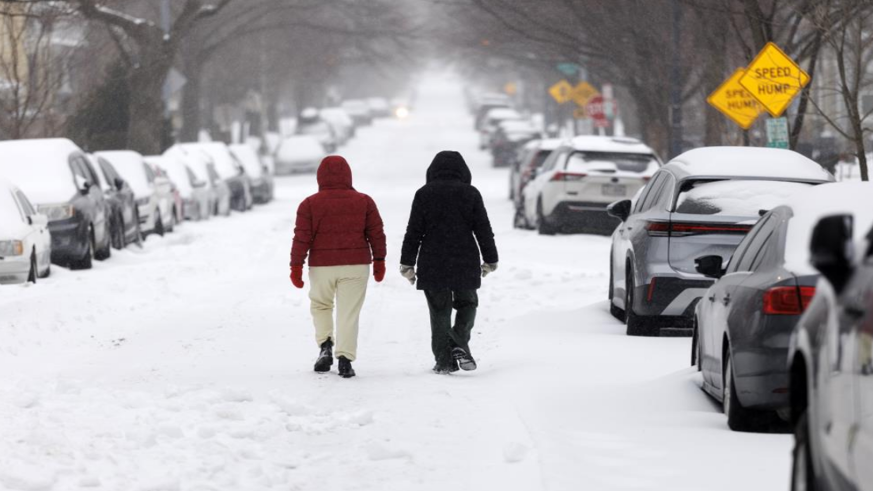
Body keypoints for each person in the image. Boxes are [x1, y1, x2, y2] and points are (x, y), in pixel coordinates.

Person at [400, 151, 498, 374]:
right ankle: (458, 339)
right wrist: (491, 258)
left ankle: (444, 360)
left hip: (432, 260)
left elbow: (413, 231)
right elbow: (483, 228)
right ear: (463, 171)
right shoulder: (471, 193)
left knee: (439, 311)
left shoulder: (424, 194)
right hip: (464, 257)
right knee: (468, 302)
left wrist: (407, 263)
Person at [290, 155, 386, 378]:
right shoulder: (364, 202)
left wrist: (296, 265)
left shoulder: (309, 204)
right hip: (356, 264)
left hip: (322, 266)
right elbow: (376, 234)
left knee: (321, 305)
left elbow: (301, 237)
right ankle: (345, 359)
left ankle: (325, 345)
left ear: (320, 177)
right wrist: (379, 260)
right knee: (348, 312)